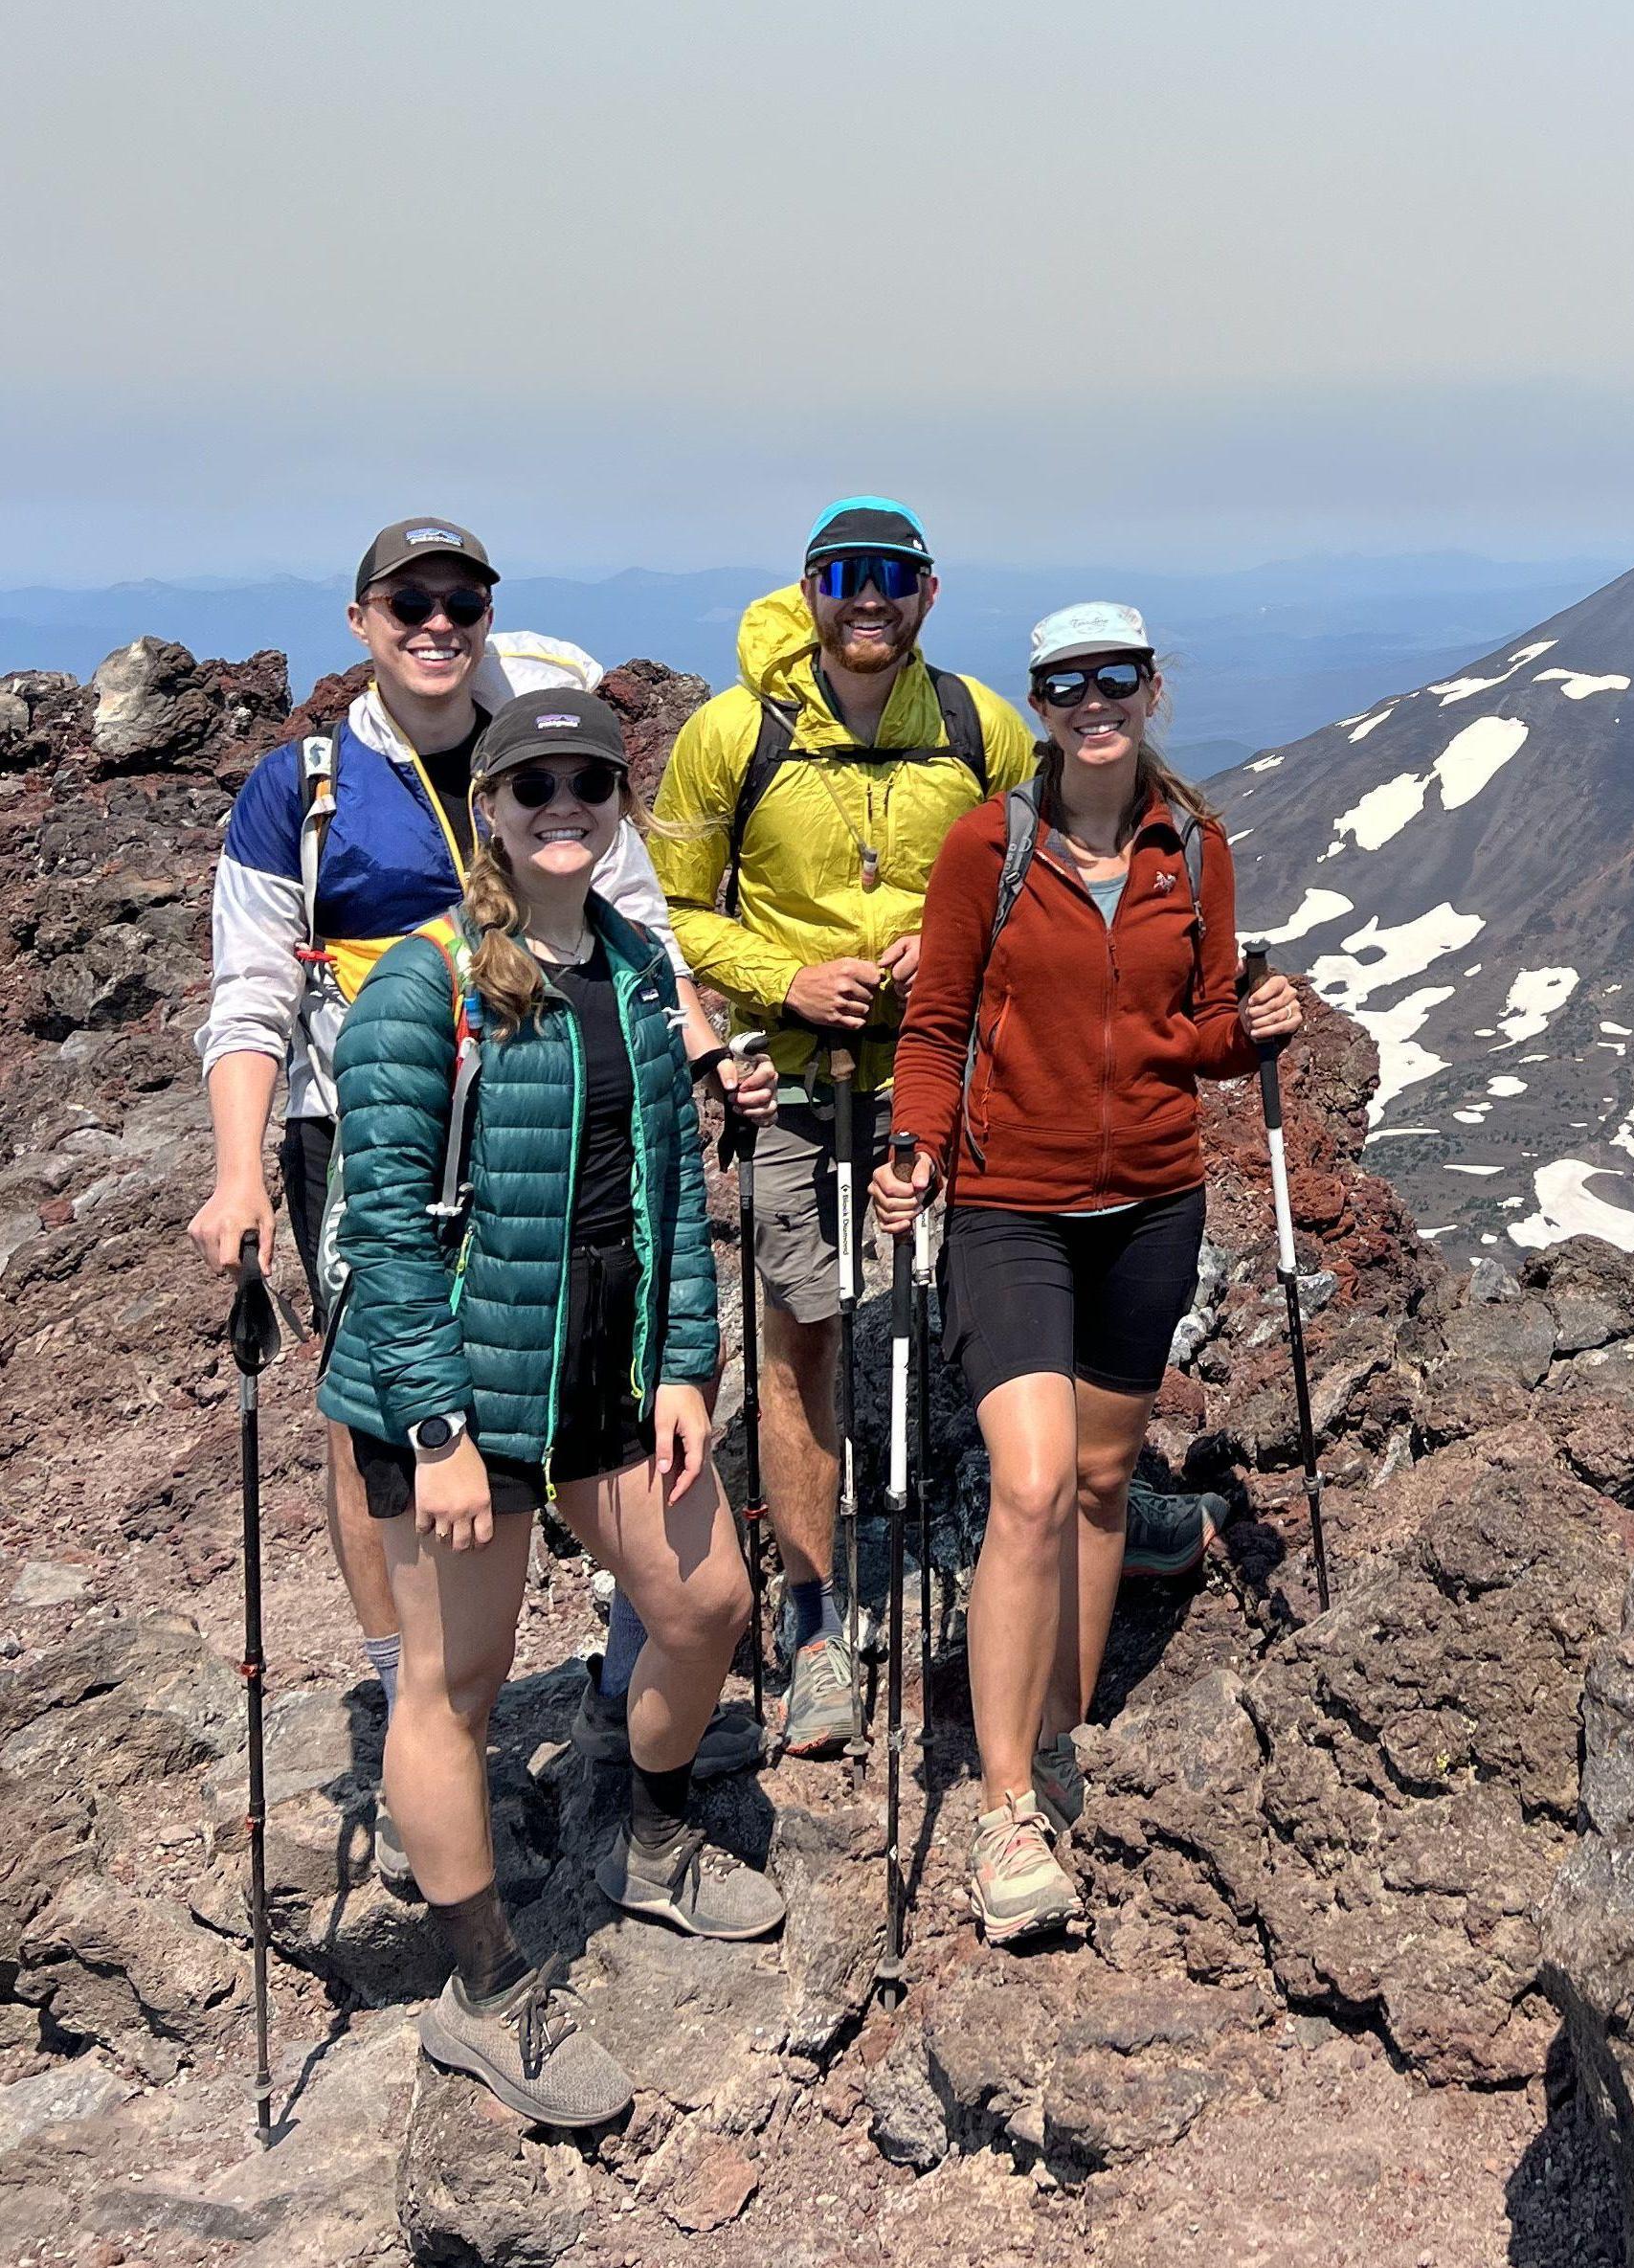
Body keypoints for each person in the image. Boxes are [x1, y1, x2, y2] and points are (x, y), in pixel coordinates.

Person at [189, 518, 772, 1876]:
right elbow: (254, 987)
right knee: (384, 1415)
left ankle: (586, 1683)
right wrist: (238, 1169)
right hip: (376, 1119)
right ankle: (420, 1699)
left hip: (563, 1115)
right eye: (411, 599)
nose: (438, 620)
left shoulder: (531, 743)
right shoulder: (314, 785)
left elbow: (634, 940)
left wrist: (698, 1054)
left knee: (580, 1358)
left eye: (462, 598)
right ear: (362, 620)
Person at [651, 504, 1228, 1759]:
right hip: (798, 1074)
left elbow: (1061, 845)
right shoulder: (729, 736)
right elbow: (667, 910)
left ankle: (1096, 1511)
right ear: (809, 589)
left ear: (928, 591)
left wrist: (950, 941)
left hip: (963, 1076)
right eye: (849, 578)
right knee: (802, 1326)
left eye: (895, 578)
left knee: (1025, 1288)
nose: (872, 600)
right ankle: (815, 1620)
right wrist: (784, 976)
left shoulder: (975, 727)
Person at [322, 689, 784, 2127]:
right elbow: (384, 1230)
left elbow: (670, 1197)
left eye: (590, 781)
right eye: (536, 786)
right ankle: (486, 1992)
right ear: (493, 813)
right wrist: (439, 1432)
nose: (564, 805)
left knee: (705, 1599)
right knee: (451, 1688)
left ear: (616, 802)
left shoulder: (642, 970)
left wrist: (684, 1365)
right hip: (455, 1390)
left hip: (605, 1368)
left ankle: (647, 1839)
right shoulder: (426, 982)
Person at [875, 600, 1299, 1945]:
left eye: (1117, 677)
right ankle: (1005, 1808)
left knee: (1109, 1479)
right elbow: (937, 1022)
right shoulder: (987, 848)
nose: (1095, 701)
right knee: (1036, 1479)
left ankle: (1059, 1736)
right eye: (1069, 684)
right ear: (1044, 702)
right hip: (1013, 1208)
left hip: (1152, 1205)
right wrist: (915, 1147)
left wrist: (1256, 1025)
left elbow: (1201, 1025)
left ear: (1152, 688)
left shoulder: (1196, 844)